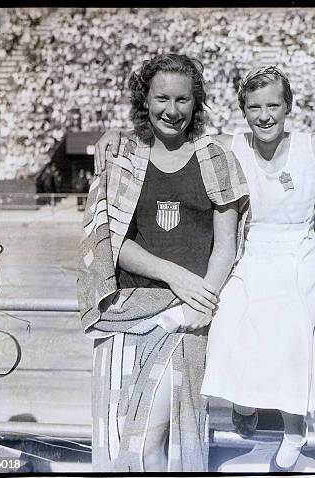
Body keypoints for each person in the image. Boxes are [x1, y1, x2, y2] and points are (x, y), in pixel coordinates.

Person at [95, 65, 315, 472]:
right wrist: (118, 134)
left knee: (295, 327)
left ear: (288, 107)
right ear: (243, 110)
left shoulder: (312, 147)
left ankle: (295, 426)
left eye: (273, 106)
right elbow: (174, 135)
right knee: (226, 320)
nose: (265, 116)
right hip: (250, 249)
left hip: (298, 251)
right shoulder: (227, 146)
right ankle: (244, 403)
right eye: (255, 107)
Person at [77, 53, 249, 472]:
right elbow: (111, 240)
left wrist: (200, 300)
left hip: (185, 319)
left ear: (198, 103)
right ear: (144, 100)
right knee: (118, 439)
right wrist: (175, 276)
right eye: (162, 99)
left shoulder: (215, 158)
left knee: (150, 440)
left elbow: (227, 246)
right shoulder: (122, 157)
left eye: (183, 100)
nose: (172, 111)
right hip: (124, 313)